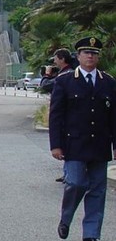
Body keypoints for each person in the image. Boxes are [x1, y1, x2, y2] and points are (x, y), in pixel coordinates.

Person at [49, 36, 116, 241]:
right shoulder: (65, 81)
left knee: (98, 189)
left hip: (100, 144)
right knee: (76, 183)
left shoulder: (108, 82)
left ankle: (91, 233)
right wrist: (56, 145)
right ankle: (66, 218)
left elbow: (114, 116)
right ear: (78, 56)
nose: (90, 56)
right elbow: (56, 115)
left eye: (94, 53)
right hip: (75, 144)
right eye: (86, 53)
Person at [41, 48, 75, 182]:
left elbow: (45, 85)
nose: (54, 62)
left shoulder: (65, 76)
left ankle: (69, 175)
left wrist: (47, 74)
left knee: (68, 145)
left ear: (62, 59)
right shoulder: (67, 73)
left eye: (55, 58)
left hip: (66, 117)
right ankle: (67, 173)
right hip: (66, 116)